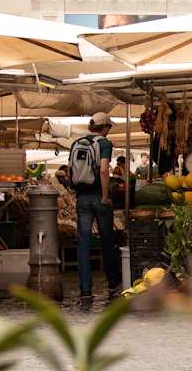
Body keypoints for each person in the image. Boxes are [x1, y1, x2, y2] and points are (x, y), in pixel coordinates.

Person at [69, 112, 121, 301]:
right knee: (107, 240)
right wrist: (105, 196)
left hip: (82, 197)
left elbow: (70, 170)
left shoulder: (76, 143)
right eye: (109, 127)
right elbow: (104, 169)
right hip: (99, 196)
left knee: (83, 243)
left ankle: (85, 289)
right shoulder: (104, 143)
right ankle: (113, 284)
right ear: (105, 127)